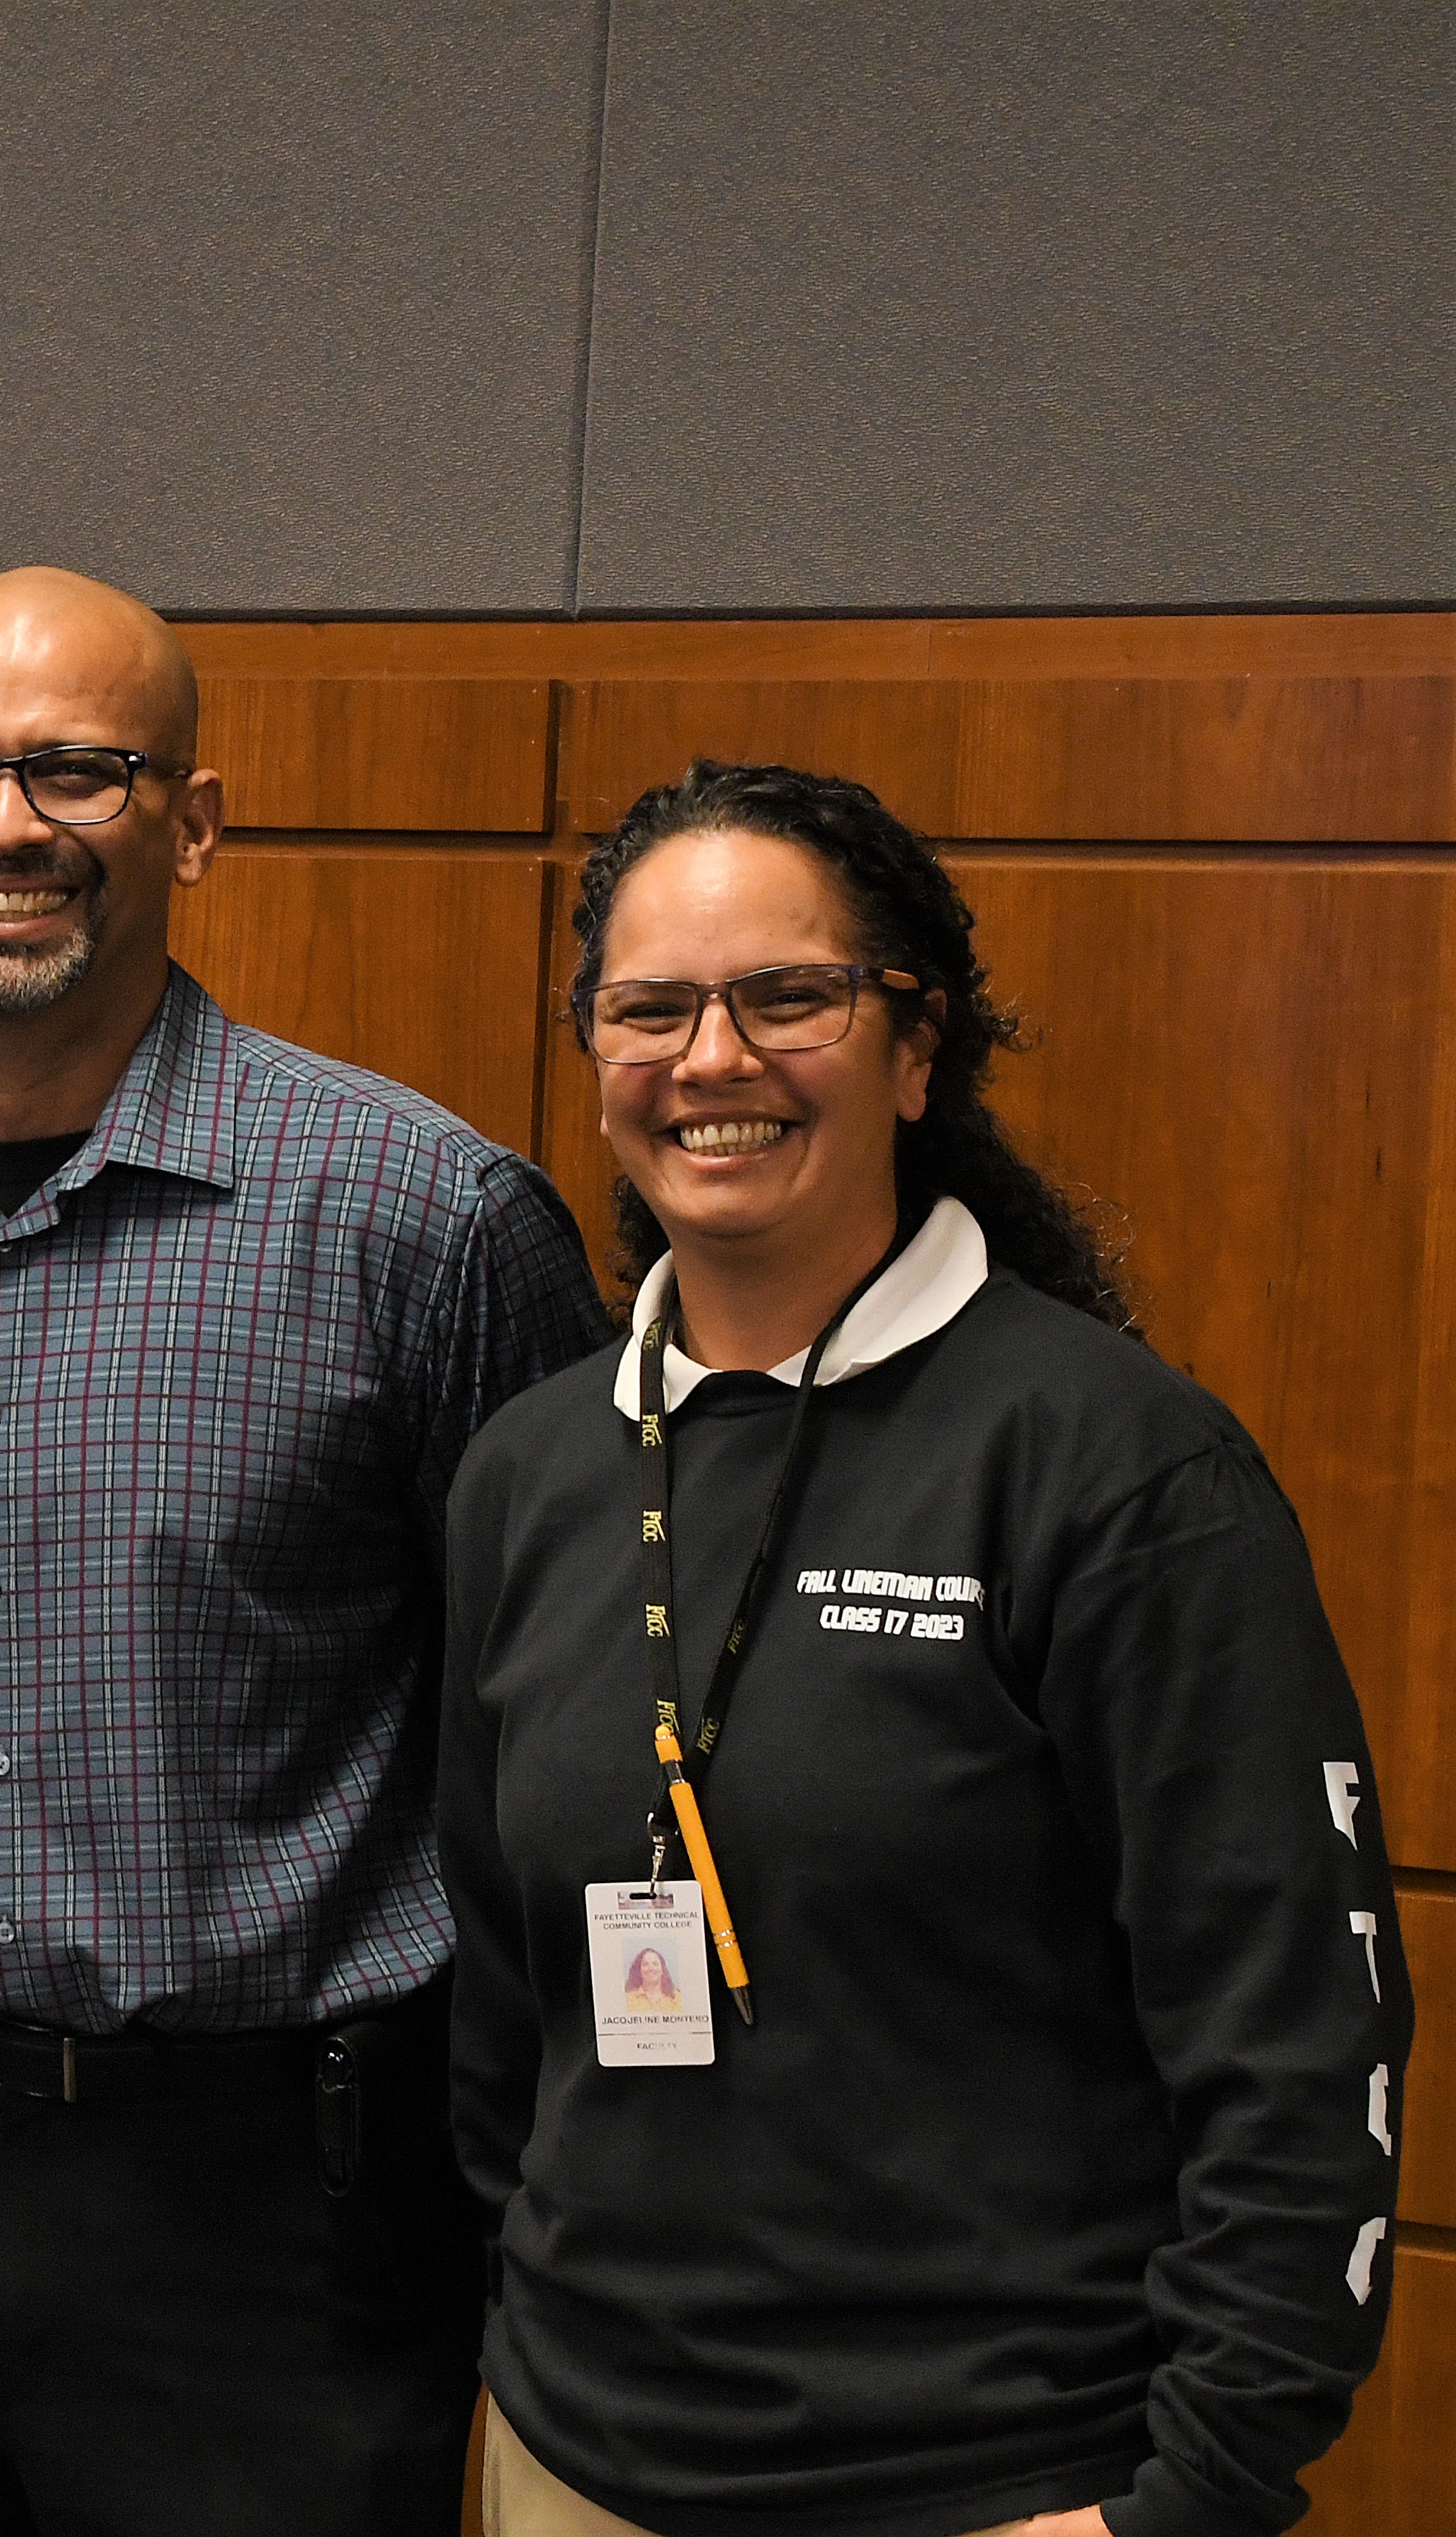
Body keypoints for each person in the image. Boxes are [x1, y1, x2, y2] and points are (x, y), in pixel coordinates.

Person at [0, 565, 614, 2535]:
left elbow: (573, 1739)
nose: (3, 827)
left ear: (189, 822)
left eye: (77, 772)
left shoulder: (422, 1219)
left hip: (271, 2205)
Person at [440, 761, 1412, 2537]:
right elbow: (500, 2016)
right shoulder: (529, 1472)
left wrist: (1188, 2497)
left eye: (786, 996)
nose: (709, 1059)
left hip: (979, 2481)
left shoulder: (1115, 1466)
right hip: (571, 2462)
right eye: (648, 1009)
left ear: (912, 1047)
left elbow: (1293, 2042)